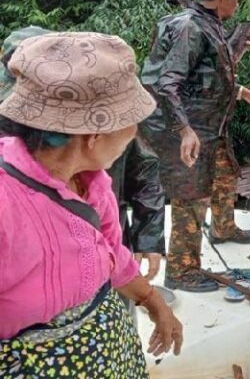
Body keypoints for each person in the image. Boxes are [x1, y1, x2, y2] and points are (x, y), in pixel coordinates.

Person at [0, 32, 182, 378]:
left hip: (107, 347)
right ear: (93, 135)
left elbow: (112, 255)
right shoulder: (6, 203)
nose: (134, 133)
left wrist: (154, 303)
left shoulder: (93, 182)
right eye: (131, 122)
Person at [141, 0, 250, 293]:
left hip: (212, 126)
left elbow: (204, 78)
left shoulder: (208, 24)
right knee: (192, 196)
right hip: (189, 129)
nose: (238, 6)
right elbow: (167, 83)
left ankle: (223, 228)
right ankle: (182, 271)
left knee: (226, 173)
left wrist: (242, 92)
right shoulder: (192, 28)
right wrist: (185, 131)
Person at [0, 26, 166, 283]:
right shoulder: (13, 115)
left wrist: (149, 237)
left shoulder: (97, 103)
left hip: (107, 243)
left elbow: (143, 168)